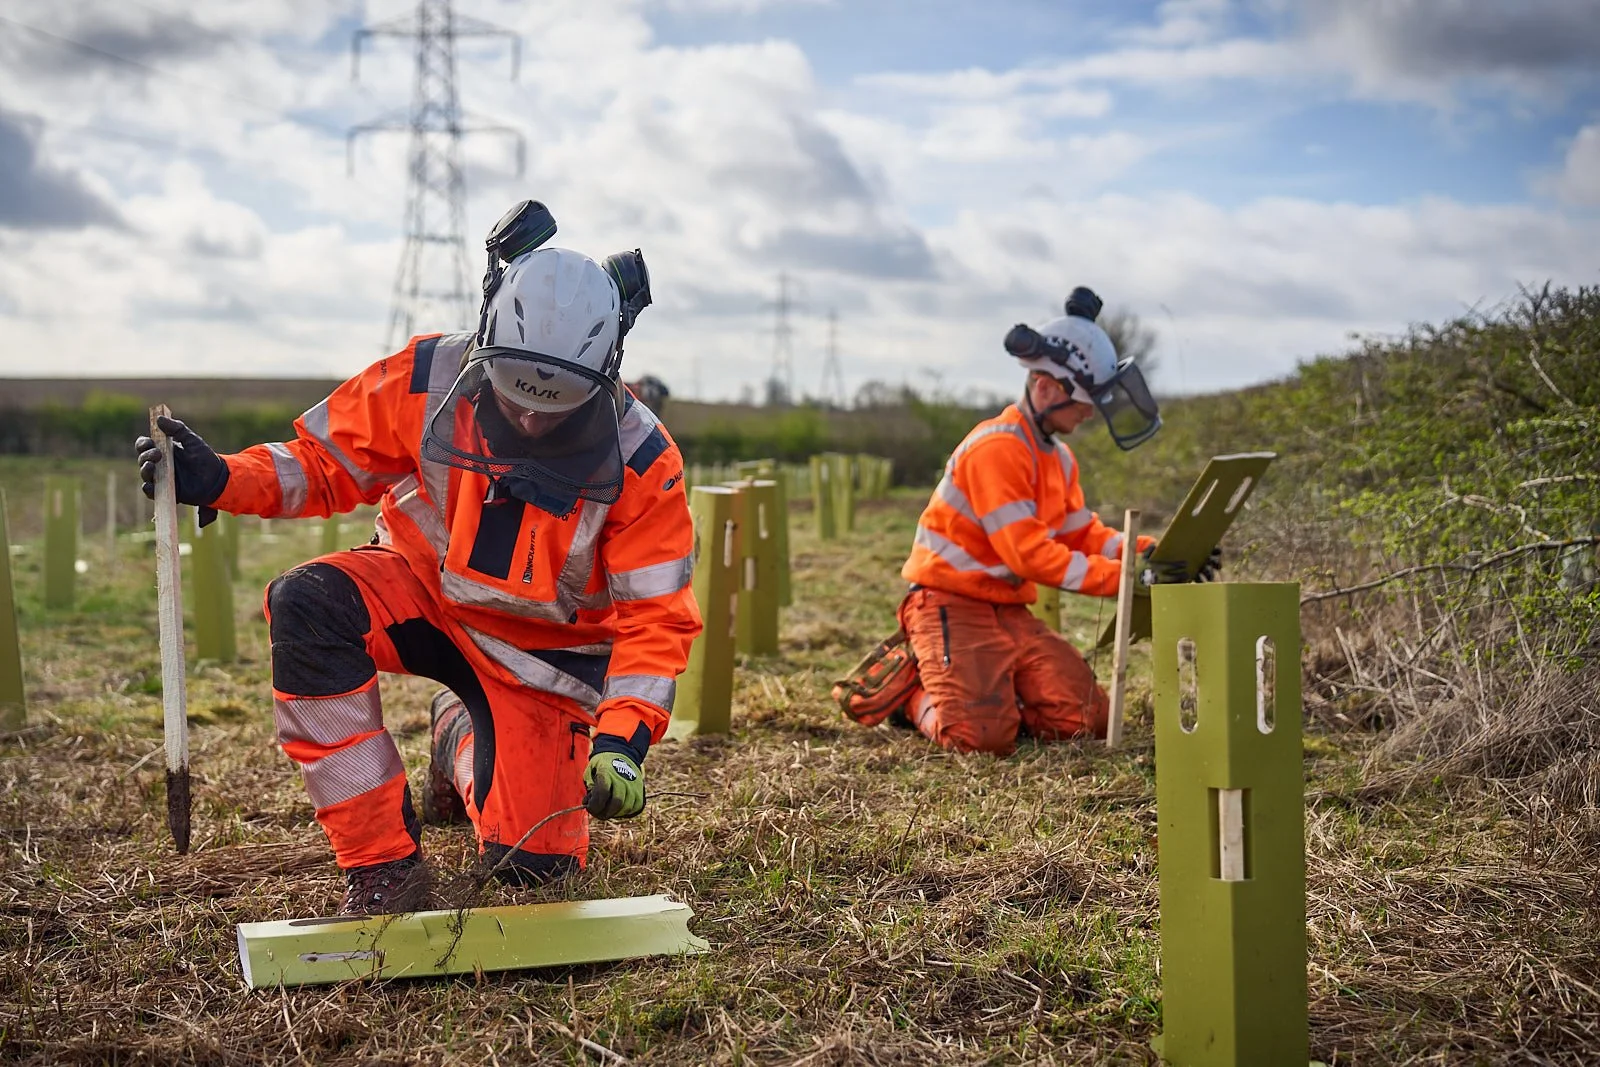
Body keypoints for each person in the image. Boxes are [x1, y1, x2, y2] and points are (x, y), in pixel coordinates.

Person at [136, 201, 702, 913]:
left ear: (605, 369)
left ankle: (458, 737)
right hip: (418, 592)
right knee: (307, 602)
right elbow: (325, 463)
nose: (530, 419)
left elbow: (657, 617)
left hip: (543, 660)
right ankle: (381, 864)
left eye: (553, 406)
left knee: (534, 872)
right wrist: (223, 477)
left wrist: (621, 739)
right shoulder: (427, 376)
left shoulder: (642, 459)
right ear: (487, 335)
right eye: (516, 397)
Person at [892, 286, 1214, 754]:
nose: (1089, 412)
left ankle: (987, 694)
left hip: (1005, 609)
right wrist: (1127, 579)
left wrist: (1149, 552)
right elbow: (1030, 555)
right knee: (978, 738)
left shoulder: (1058, 458)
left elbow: (1081, 534)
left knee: (1087, 719)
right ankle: (912, 696)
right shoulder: (997, 450)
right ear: (1045, 387)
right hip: (948, 604)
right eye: (1083, 401)